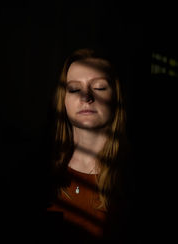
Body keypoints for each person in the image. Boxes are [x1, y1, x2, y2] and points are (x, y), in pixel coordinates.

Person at [44, 48, 135, 243]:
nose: (86, 97)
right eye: (74, 89)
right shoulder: (39, 170)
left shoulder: (131, 175)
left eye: (100, 87)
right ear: (64, 101)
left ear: (116, 98)